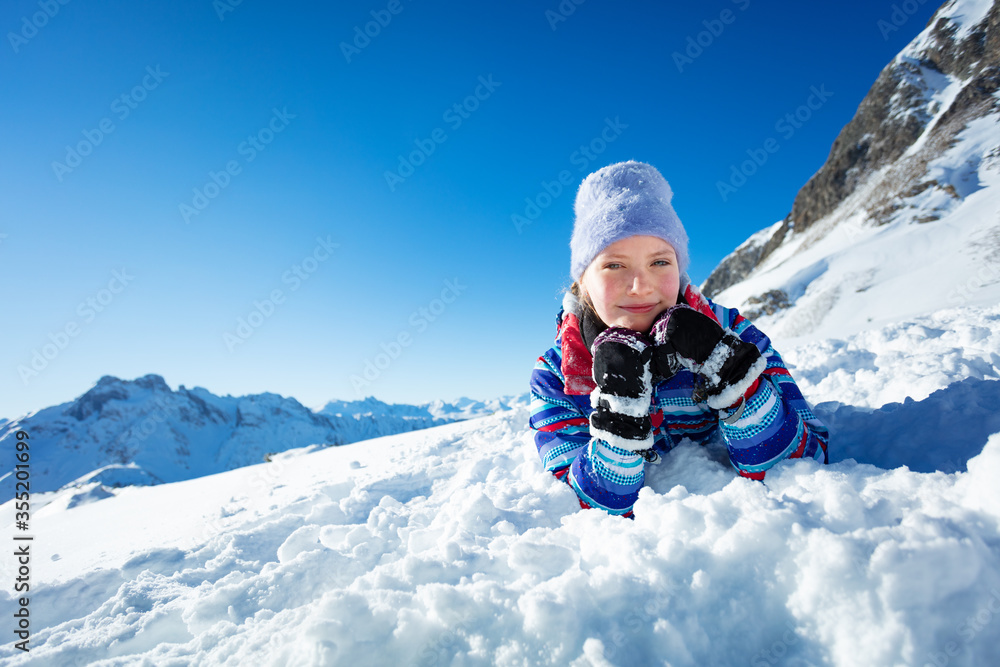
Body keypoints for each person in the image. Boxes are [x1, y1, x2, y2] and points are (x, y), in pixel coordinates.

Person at [529, 160, 829, 518]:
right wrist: (619, 419)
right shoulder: (559, 372)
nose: (641, 286)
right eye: (614, 265)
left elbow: (803, 467)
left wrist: (731, 373)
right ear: (583, 280)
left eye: (659, 262)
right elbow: (583, 511)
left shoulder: (731, 332)